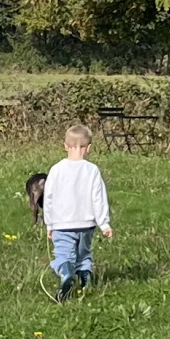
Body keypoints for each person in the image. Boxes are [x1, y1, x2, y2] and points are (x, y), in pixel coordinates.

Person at [43, 124, 113, 303]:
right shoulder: (92, 170)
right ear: (88, 148)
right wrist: (103, 223)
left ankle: (66, 274)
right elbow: (98, 198)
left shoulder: (56, 170)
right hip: (86, 224)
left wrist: (49, 224)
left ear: (65, 146)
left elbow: (48, 198)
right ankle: (85, 279)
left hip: (62, 224)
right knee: (84, 254)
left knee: (64, 255)